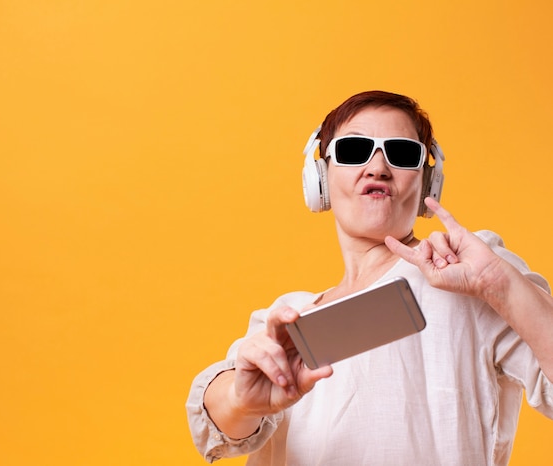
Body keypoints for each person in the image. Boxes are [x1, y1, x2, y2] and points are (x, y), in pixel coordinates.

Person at [186, 90, 553, 465]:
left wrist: (501, 284)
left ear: (428, 181)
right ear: (320, 177)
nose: (378, 167)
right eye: (354, 150)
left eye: (402, 153)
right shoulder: (285, 320)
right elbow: (218, 424)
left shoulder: (469, 276)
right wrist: (241, 400)